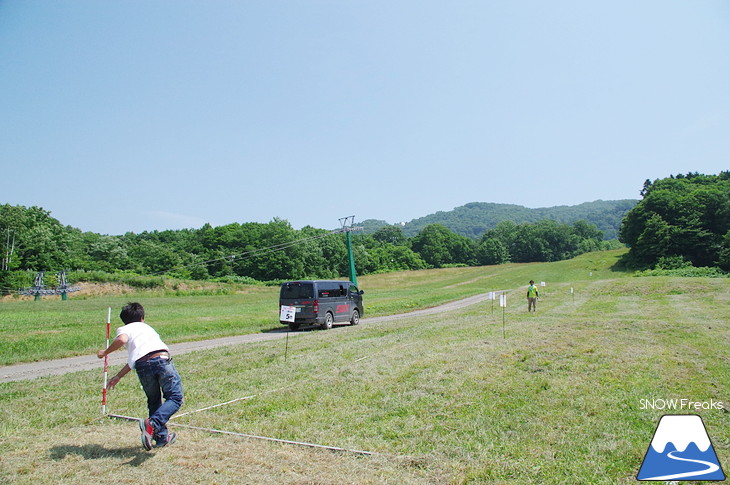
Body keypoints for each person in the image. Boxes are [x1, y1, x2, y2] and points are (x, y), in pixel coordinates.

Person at [97, 302, 183, 450]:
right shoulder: (147, 328)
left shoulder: (124, 328)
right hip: (161, 360)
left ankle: (161, 438)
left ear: (124, 319)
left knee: (154, 401)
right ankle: (153, 424)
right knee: (175, 398)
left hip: (143, 367)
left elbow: (134, 360)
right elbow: (121, 340)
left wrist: (117, 376)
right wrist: (105, 353)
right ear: (142, 317)